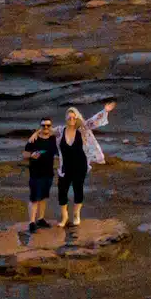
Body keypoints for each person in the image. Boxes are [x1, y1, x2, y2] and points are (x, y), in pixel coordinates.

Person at [56, 100, 115, 235]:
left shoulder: (82, 129)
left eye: (74, 117)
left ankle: (76, 215)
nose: (71, 119)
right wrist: (36, 134)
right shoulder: (60, 131)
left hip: (80, 165)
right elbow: (46, 132)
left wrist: (104, 111)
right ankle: (64, 217)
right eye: (69, 117)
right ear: (66, 118)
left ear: (76, 118)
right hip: (65, 166)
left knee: (78, 190)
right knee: (62, 191)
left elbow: (94, 121)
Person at [18, 120, 58, 244]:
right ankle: (31, 222)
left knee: (44, 197)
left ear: (51, 127)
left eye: (48, 125)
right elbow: (24, 154)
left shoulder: (53, 139)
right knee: (34, 198)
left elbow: (66, 131)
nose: (46, 127)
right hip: (35, 173)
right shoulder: (33, 140)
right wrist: (31, 155)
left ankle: (40, 219)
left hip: (48, 173)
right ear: (39, 126)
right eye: (43, 125)